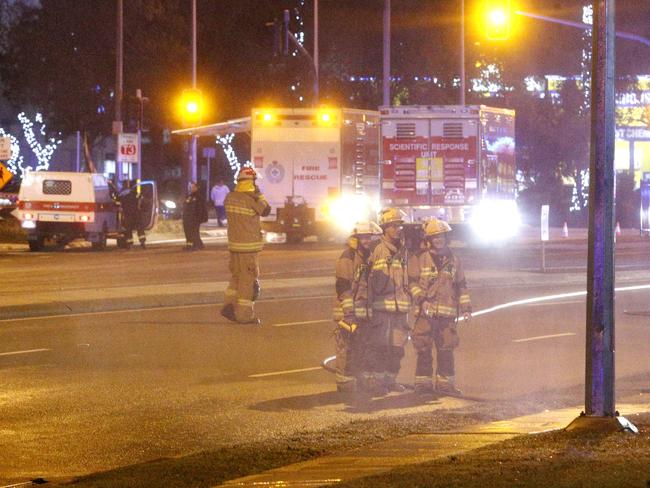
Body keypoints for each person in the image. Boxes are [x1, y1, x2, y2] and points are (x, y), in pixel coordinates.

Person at [407, 218, 471, 396]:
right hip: (425, 314)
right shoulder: (418, 258)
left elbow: (461, 286)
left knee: (446, 351)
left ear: (446, 237)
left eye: (441, 236)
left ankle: (445, 386)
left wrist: (466, 308)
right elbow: (411, 283)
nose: (438, 240)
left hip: (447, 315)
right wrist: (421, 300)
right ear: (428, 239)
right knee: (424, 350)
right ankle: (423, 386)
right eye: (435, 237)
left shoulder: (454, 260)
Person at [356, 207, 411, 396]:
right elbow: (367, 280)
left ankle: (390, 380)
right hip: (381, 308)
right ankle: (375, 383)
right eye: (393, 226)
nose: (397, 229)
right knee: (379, 347)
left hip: (400, 309)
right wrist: (364, 306)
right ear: (384, 228)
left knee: (397, 347)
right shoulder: (378, 250)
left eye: (399, 226)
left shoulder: (402, 250)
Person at [333, 220, 382, 394]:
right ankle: (345, 384)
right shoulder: (348, 257)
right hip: (349, 314)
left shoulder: (366, 257)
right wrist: (348, 313)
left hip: (362, 315)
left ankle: (357, 383)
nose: (367, 240)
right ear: (356, 238)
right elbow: (343, 286)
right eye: (364, 237)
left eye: (369, 237)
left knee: (360, 349)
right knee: (347, 349)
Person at [220, 167, 271, 325]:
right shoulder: (251, 199)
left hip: (234, 246)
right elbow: (266, 210)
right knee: (247, 281)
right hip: (248, 247)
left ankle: (229, 305)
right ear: (251, 182)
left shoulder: (230, 197)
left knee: (236, 277)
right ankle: (244, 315)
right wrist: (258, 193)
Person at [119, 180, 146, 249]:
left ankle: (129, 244)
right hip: (136, 213)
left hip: (127, 214)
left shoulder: (121, 194)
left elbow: (118, 202)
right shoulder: (133, 192)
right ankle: (142, 243)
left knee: (128, 229)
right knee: (140, 228)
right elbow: (140, 198)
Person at [182, 181, 208, 250]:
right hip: (187, 218)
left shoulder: (199, 197)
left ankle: (196, 245)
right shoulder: (189, 196)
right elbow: (185, 206)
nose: (192, 188)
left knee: (194, 232)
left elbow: (201, 208)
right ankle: (190, 245)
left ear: (197, 188)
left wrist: (200, 218)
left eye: (193, 187)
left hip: (195, 218)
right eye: (191, 187)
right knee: (188, 232)